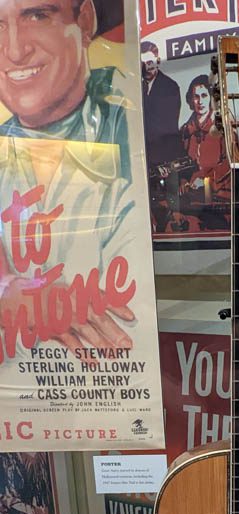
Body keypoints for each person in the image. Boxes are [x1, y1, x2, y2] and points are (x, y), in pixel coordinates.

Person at [0, 0, 135, 355]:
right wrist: (7, 290)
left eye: (37, 16)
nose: (14, 50)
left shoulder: (135, 138)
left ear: (85, 20)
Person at [180, 73, 230, 221]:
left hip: (219, 199)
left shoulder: (223, 127)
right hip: (191, 201)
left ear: (210, 98)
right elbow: (182, 163)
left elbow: (230, 163)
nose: (200, 101)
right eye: (196, 96)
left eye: (204, 95)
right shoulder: (185, 131)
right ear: (190, 99)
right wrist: (183, 181)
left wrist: (206, 179)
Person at [141, 41, 183, 165]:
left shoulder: (170, 88)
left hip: (164, 159)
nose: (146, 67)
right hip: (142, 157)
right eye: (142, 63)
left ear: (158, 61)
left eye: (149, 62)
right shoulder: (136, 86)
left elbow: (167, 128)